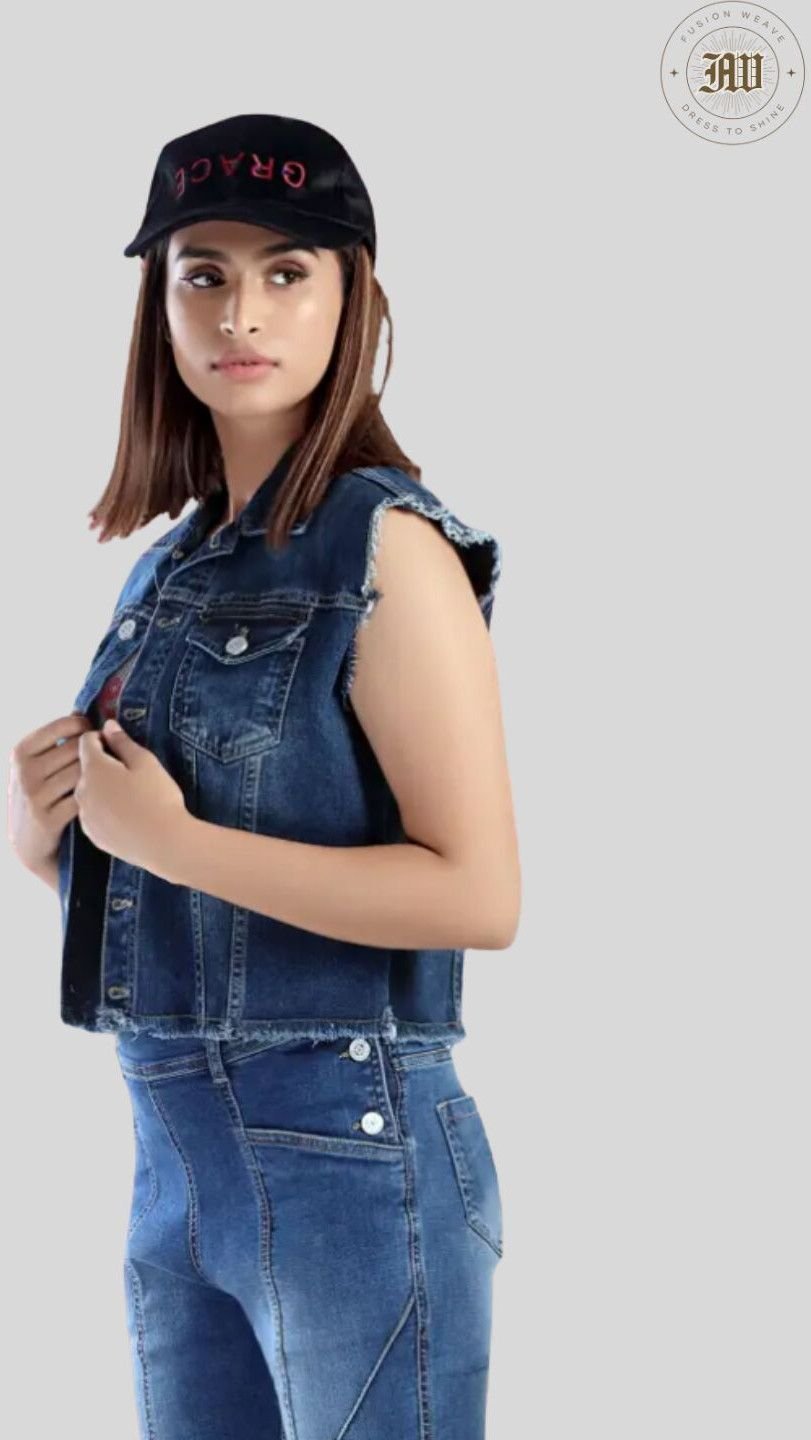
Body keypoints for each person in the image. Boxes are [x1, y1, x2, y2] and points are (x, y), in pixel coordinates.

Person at [8, 112, 521, 1439]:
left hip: (351, 1160)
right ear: (160, 304)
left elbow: (478, 896)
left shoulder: (387, 548)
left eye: (288, 271)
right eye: (204, 273)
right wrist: (56, 845)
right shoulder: (175, 565)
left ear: (354, 298)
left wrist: (170, 843)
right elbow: (210, 897)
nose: (241, 312)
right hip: (174, 1157)